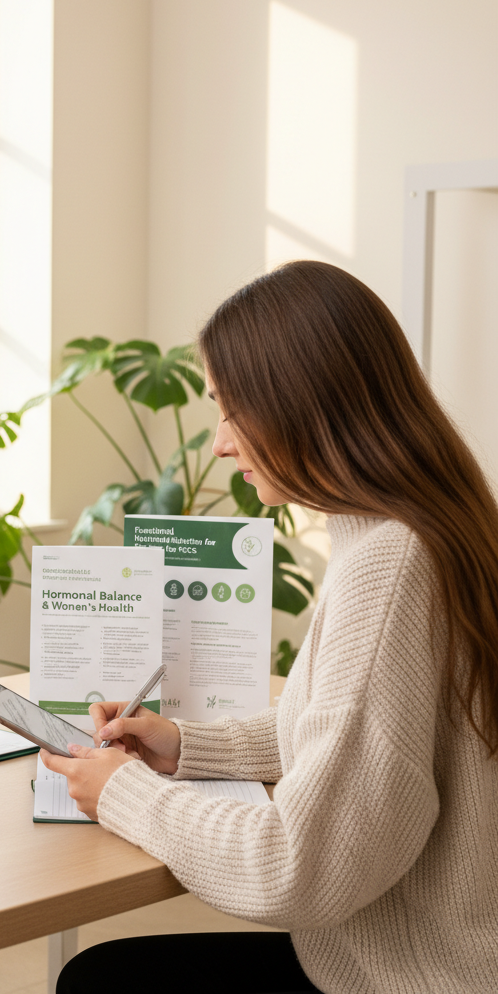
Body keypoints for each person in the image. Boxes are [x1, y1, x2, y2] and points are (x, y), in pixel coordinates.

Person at [42, 261, 498, 993]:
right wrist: (184, 745)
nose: (219, 444)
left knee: (98, 980)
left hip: (411, 978)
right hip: (417, 962)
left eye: (232, 412)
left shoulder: (390, 566)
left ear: (303, 406)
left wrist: (126, 793)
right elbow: (361, 733)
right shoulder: (423, 525)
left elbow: (300, 870)